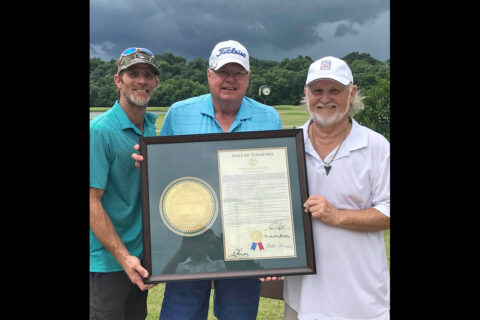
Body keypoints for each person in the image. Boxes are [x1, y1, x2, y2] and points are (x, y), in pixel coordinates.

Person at [133, 40, 283, 320]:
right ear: (209, 74)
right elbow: (164, 173)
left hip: (245, 239)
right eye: (223, 71)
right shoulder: (180, 112)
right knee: (182, 314)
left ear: (248, 78)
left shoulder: (269, 117)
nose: (230, 79)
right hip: (190, 234)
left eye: (238, 73)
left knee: (238, 315)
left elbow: (275, 186)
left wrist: (276, 251)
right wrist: (149, 164)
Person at [282, 56, 390, 319]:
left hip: (360, 298)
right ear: (306, 94)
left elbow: (388, 212)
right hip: (302, 297)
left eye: (335, 90)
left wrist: (336, 215)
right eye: (317, 91)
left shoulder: (376, 146)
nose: (325, 99)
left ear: (351, 93)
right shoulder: (286, 145)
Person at [90, 47, 161, 320]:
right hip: (108, 262)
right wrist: (123, 257)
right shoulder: (100, 131)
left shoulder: (152, 128)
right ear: (118, 80)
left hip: (138, 259)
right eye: (133, 74)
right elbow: (91, 201)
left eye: (148, 75)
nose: (141, 81)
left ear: (155, 83)